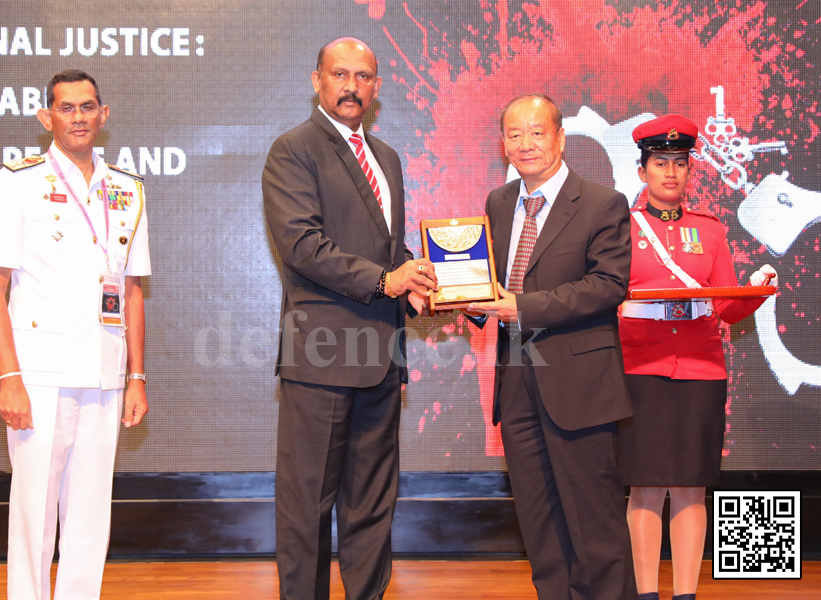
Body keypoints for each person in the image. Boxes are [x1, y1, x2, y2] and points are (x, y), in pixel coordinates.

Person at [262, 38, 437, 600]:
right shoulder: (293, 149)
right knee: (306, 508)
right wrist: (387, 281)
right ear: (317, 79)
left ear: (377, 87)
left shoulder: (386, 158)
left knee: (371, 505)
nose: (351, 86)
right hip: (321, 359)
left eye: (363, 77)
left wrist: (417, 277)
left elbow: (389, 249)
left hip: (382, 357)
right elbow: (302, 244)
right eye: (340, 74)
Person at [0, 69, 151, 600]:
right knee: (34, 510)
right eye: (67, 107)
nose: (79, 117)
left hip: (103, 371)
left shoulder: (127, 189)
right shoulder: (16, 182)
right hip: (40, 373)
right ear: (46, 117)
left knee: (91, 510)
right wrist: (9, 378)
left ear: (105, 114)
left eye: (88, 106)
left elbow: (133, 291)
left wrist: (135, 377)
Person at [466, 94, 637, 599]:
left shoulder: (604, 203)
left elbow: (608, 285)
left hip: (580, 385)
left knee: (595, 527)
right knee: (539, 524)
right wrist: (467, 298)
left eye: (537, 132)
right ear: (504, 144)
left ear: (560, 138)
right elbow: (493, 284)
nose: (526, 144)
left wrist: (521, 306)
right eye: (515, 134)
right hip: (516, 382)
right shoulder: (499, 203)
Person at [618, 115, 777, 600]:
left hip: (701, 370)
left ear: (691, 172)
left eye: (680, 164)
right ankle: (646, 593)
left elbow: (727, 309)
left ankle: (685, 594)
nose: (671, 172)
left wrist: (754, 291)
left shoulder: (710, 230)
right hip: (638, 370)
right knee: (644, 486)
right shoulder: (620, 227)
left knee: (691, 486)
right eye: (660, 163)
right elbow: (604, 296)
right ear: (642, 171)